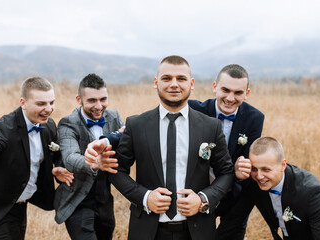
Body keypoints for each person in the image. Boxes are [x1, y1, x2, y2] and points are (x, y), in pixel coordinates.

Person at [87, 55, 235, 240]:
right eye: (166, 78)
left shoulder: (210, 126)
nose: (174, 84)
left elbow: (227, 172)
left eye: (181, 78)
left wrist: (202, 199)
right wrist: (145, 197)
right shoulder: (136, 124)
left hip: (197, 231)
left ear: (191, 83)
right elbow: (117, 171)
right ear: (156, 82)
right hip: (148, 231)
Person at [0, 77, 74, 240]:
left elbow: (57, 155)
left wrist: (59, 166)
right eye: (41, 104)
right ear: (23, 103)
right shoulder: (2, 130)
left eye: (51, 102)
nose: (48, 109)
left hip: (20, 206)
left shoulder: (49, 126)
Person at [188, 64, 264, 239]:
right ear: (215, 87)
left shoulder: (255, 118)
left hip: (234, 193)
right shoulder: (194, 109)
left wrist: (241, 171)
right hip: (197, 192)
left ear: (247, 93)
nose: (230, 98)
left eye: (238, 92)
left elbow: (246, 157)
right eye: (225, 90)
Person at [54, 73, 124, 240]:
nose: (99, 106)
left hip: (105, 199)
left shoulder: (114, 116)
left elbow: (126, 141)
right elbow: (70, 158)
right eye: (92, 100)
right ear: (79, 100)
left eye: (103, 99)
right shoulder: (67, 123)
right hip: (77, 199)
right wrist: (95, 163)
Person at [227, 137, 320, 239]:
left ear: (283, 165)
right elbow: (233, 221)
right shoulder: (253, 182)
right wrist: (236, 178)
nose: (259, 176)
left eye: (266, 169)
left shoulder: (312, 192)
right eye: (254, 169)